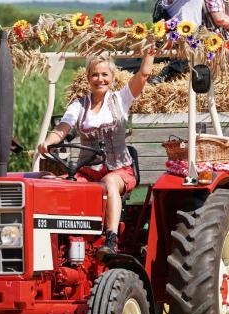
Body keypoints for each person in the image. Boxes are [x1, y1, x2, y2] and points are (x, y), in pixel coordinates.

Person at [38, 49, 156, 256]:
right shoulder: (78, 105)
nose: (99, 79)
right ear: (88, 78)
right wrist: (48, 141)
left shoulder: (121, 99)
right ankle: (57, 242)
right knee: (56, 184)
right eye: (95, 74)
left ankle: (111, 239)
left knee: (109, 182)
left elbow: (144, 74)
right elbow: (63, 128)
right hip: (87, 171)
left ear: (112, 77)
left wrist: (149, 48)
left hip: (120, 170)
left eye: (104, 75)